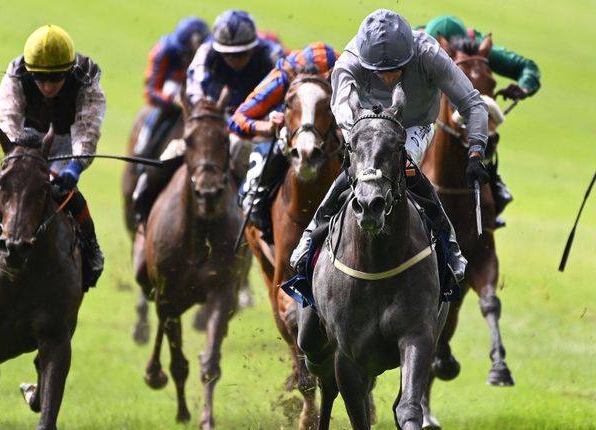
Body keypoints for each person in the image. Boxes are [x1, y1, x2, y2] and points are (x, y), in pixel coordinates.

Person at [290, 9, 492, 283]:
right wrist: (367, 136)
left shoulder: (428, 53)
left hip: (415, 124)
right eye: (378, 73)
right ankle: (311, 235)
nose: (386, 78)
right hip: (364, 123)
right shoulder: (350, 60)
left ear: (410, 56)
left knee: (403, 165)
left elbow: (473, 103)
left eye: (395, 70)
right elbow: (341, 108)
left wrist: (476, 151)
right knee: (361, 169)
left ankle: (450, 244)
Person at [0, 25, 106, 290]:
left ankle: (91, 249)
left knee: (63, 191)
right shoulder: (18, 70)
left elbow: (88, 126)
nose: (48, 87)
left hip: (67, 142)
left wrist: (75, 166)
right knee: (11, 184)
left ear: (68, 71)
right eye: (41, 79)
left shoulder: (86, 75)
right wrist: (19, 154)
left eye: (56, 79)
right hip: (24, 140)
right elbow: (6, 116)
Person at [132, 10, 285, 225]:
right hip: (215, 125)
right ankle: (143, 201)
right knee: (171, 153)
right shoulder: (205, 55)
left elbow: (288, 94)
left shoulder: (273, 54)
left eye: (242, 54)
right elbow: (197, 105)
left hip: (263, 128)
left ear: (254, 46)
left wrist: (267, 121)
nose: (235, 60)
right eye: (228, 55)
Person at [421, 15, 542, 224]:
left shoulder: (475, 47)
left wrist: (523, 87)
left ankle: (494, 186)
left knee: (486, 133)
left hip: (463, 107)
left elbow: (527, 67)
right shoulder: (413, 43)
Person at [230, 41, 339, 237]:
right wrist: (267, 126)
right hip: (288, 132)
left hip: (331, 131)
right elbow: (239, 118)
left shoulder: (346, 73)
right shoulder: (282, 77)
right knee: (267, 154)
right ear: (295, 76)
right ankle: (255, 206)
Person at [135, 17, 209, 161]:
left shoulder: (212, 51)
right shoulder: (162, 50)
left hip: (197, 87)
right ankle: (143, 148)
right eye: (190, 55)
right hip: (173, 88)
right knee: (169, 91)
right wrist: (172, 101)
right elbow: (150, 92)